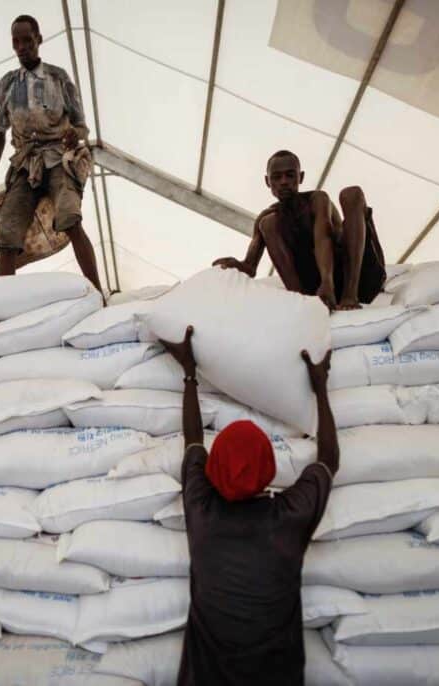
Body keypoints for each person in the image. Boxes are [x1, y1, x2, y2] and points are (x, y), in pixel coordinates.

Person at [160, 326, 338, 686]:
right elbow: (329, 458)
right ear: (268, 467)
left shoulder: (201, 510)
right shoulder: (291, 516)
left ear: (213, 470)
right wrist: (319, 387)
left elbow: (193, 439)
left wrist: (190, 372)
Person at [0, 14, 103, 293]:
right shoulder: (6, 84)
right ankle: (5, 305)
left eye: (27, 40)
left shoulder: (58, 77)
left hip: (60, 158)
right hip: (26, 166)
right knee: (7, 234)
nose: (22, 46)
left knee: (70, 217)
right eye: (16, 41)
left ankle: (98, 293)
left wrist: (75, 134)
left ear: (39, 39)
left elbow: (81, 125)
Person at [213, 150, 385, 310]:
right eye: (277, 177)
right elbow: (250, 267)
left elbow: (323, 238)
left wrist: (327, 282)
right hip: (319, 293)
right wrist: (236, 265)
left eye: (290, 175)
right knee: (268, 223)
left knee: (351, 194)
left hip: (360, 278)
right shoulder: (267, 218)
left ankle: (350, 296)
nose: (284, 182)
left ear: (300, 177)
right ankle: (301, 301)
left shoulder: (317, 200)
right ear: (267, 181)